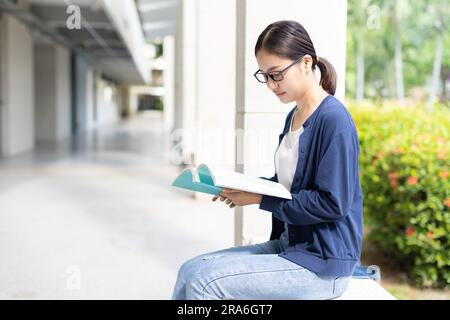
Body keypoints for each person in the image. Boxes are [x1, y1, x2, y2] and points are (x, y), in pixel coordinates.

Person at [172, 20, 363, 300]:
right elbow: (287, 185)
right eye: (265, 76)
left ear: (306, 63)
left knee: (205, 282)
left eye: (276, 74)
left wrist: (260, 199)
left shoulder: (334, 120)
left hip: (323, 265)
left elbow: (332, 203)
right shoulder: (295, 116)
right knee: (191, 269)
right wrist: (238, 186)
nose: (272, 85)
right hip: (290, 245)